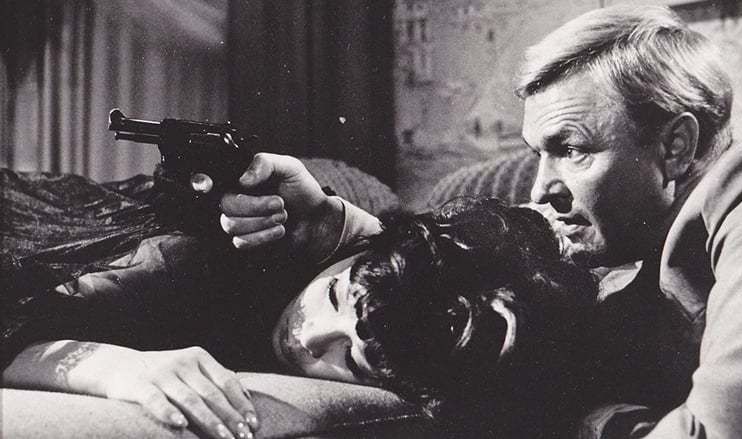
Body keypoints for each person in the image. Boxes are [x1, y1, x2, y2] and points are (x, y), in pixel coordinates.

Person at [218, 5, 742, 438]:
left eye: (572, 150)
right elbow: (450, 273)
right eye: (538, 154)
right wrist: (332, 224)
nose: (540, 190)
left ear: (676, 147)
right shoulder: (628, 259)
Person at [1, 176, 596, 439]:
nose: (309, 337)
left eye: (349, 357)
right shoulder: (182, 263)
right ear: (355, 251)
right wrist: (112, 366)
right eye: (333, 296)